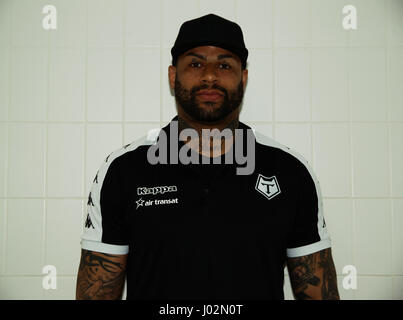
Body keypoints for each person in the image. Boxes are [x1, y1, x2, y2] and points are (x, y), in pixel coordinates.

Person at [76, 13, 340, 300]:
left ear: (244, 78)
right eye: (195, 63)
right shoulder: (123, 170)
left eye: (225, 64)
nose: (210, 75)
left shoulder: (290, 172)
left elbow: (319, 293)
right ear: (173, 75)